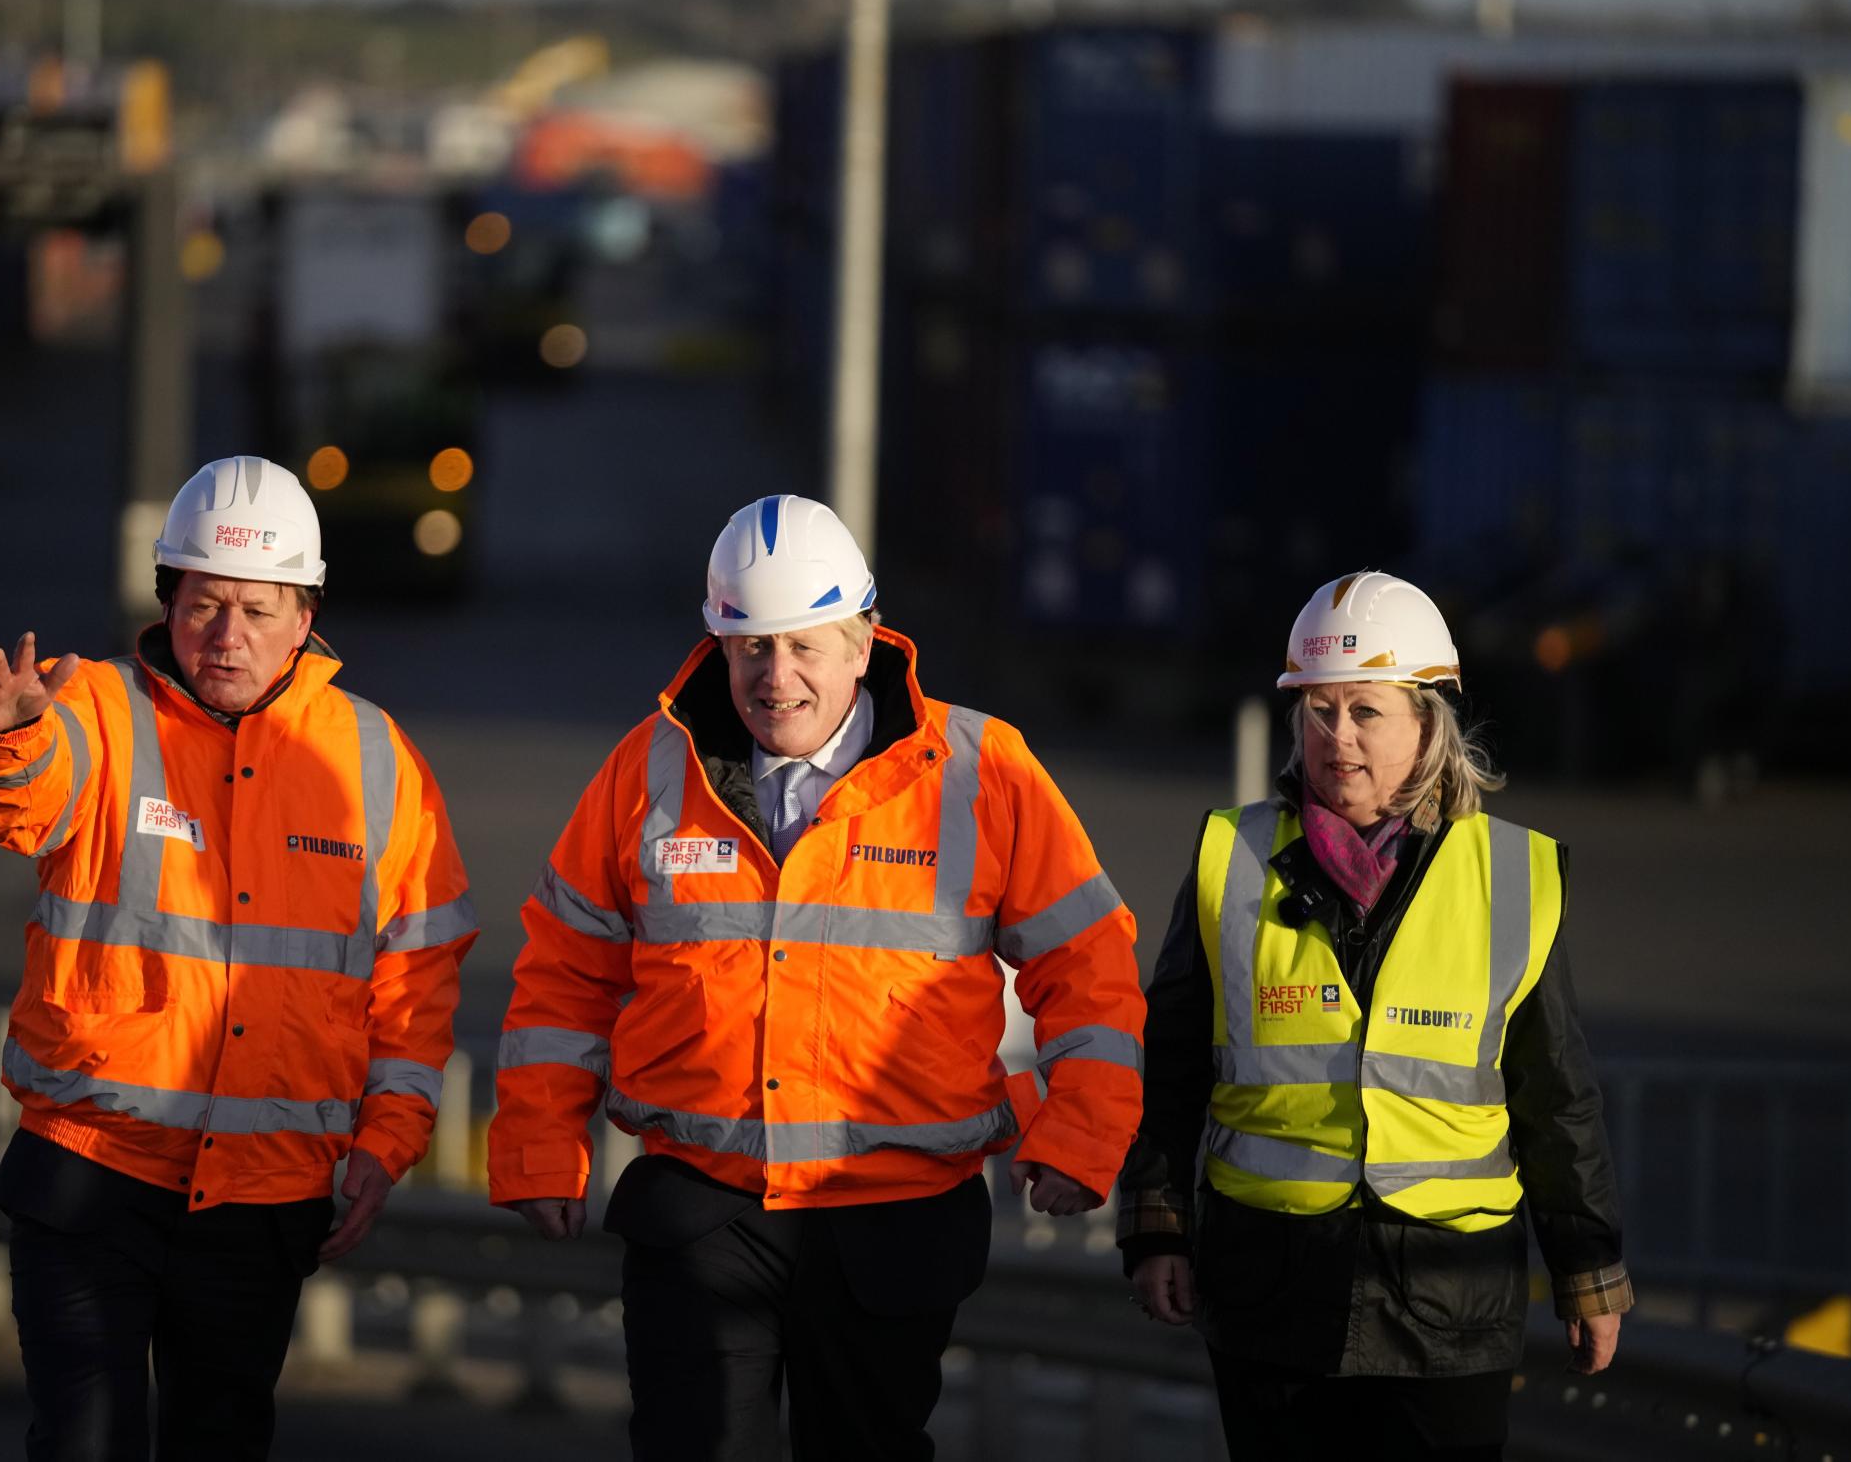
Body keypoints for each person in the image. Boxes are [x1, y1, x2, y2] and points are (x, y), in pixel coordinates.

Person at [488, 494, 1145, 1460]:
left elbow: (1088, 965)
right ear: (716, 645)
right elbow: (564, 970)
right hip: (703, 1212)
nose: (776, 676)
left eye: (806, 646)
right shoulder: (649, 769)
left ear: (865, 642)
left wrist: (1081, 1135)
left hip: (895, 1223)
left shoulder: (979, 770)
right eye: (750, 646)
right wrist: (541, 1145)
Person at [0, 455, 478, 1461]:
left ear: (306, 611)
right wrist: (1, 736)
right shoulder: (97, 708)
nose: (226, 636)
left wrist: (391, 1133)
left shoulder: (372, 756)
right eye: (205, 604)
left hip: (263, 1197)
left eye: (259, 609)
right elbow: (23, 789)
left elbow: (421, 961)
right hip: (91, 1172)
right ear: (168, 598)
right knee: (84, 1442)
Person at [1117, 571, 1630, 1462]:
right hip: (1272, 1295)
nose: (1337, 738)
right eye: (1319, 711)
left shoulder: (1512, 875)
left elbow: (1556, 1096)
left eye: (1366, 712)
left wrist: (1587, 1268)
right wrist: (1157, 1226)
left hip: (1448, 1305)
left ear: (1429, 724)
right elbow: (1170, 1069)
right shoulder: (1230, 859)